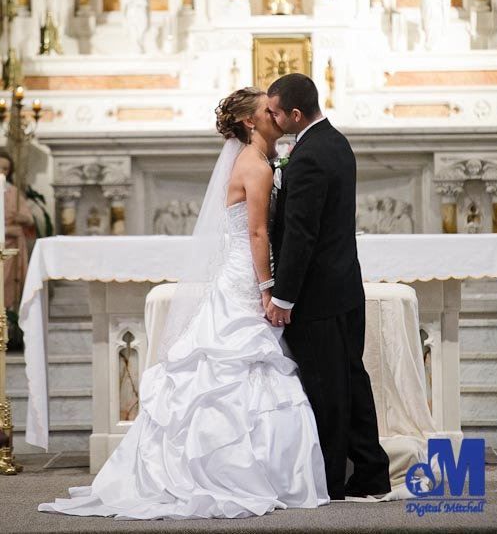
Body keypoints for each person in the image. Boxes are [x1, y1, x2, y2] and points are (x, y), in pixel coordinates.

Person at [39, 87, 328, 520]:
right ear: (251, 122)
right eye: (268, 111)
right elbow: (255, 234)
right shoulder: (255, 164)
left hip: (239, 273)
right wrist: (268, 288)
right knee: (239, 363)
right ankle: (234, 470)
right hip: (246, 277)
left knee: (242, 365)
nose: (276, 115)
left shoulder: (256, 160)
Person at [266, 73, 391, 500]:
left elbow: (302, 234)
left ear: (295, 114)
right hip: (343, 289)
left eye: (276, 112)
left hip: (318, 296)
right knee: (350, 381)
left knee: (327, 389)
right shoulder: (334, 142)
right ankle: (371, 472)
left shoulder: (309, 156)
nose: (272, 117)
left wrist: (283, 296)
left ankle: (334, 482)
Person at [0, 149, 34, 314]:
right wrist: (6, 230)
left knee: (8, 289)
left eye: (5, 169)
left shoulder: (13, 191)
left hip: (11, 249)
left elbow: (29, 219)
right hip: (4, 240)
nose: (2, 172)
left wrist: (21, 218)